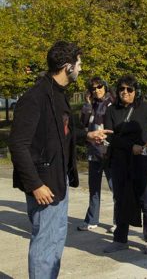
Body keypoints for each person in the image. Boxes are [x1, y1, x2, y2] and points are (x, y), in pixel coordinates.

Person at [8, 41, 111, 279]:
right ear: (67, 67)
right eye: (79, 64)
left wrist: (87, 134)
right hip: (44, 183)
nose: (81, 69)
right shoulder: (35, 97)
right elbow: (18, 145)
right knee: (45, 243)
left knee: (54, 241)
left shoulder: (58, 95)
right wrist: (35, 184)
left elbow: (58, 133)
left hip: (58, 180)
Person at [103, 74, 147, 255]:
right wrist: (131, 147)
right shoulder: (111, 110)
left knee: (145, 198)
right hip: (120, 160)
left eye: (129, 89)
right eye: (121, 89)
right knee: (120, 198)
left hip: (143, 160)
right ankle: (120, 239)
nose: (125, 92)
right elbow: (109, 136)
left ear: (136, 92)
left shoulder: (145, 108)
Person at [77, 77, 116, 232]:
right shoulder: (91, 104)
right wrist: (87, 104)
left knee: (115, 188)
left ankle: (118, 221)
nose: (97, 90)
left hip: (109, 151)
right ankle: (92, 219)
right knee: (94, 188)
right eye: (93, 88)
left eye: (99, 87)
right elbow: (84, 123)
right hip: (94, 151)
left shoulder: (112, 103)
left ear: (105, 87)